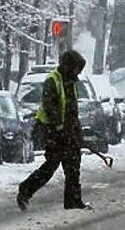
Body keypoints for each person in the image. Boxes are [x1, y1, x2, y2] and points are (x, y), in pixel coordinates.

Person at [17, 50, 90, 210]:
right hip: (52, 132)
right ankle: (25, 189)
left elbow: (72, 110)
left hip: (68, 133)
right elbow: (51, 109)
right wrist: (60, 129)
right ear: (67, 66)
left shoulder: (71, 82)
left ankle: (73, 200)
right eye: (76, 68)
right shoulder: (52, 81)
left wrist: (77, 132)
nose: (78, 71)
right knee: (51, 166)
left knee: (73, 167)